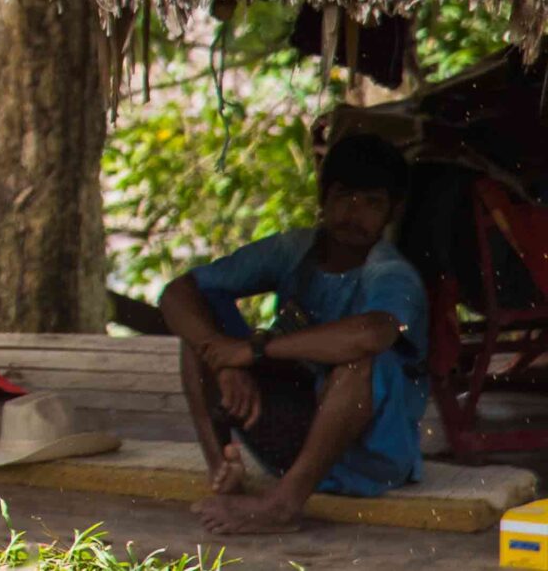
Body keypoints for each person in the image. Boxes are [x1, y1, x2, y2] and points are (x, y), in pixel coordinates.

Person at [159, 132, 428, 535]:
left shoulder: (391, 273)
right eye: (344, 197)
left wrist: (253, 351)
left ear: (391, 212)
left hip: (369, 458)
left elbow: (371, 334)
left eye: (371, 203)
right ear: (323, 198)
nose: (355, 214)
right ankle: (224, 474)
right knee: (199, 327)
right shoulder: (294, 250)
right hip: (294, 441)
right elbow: (178, 292)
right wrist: (221, 358)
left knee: (360, 360)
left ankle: (282, 507)